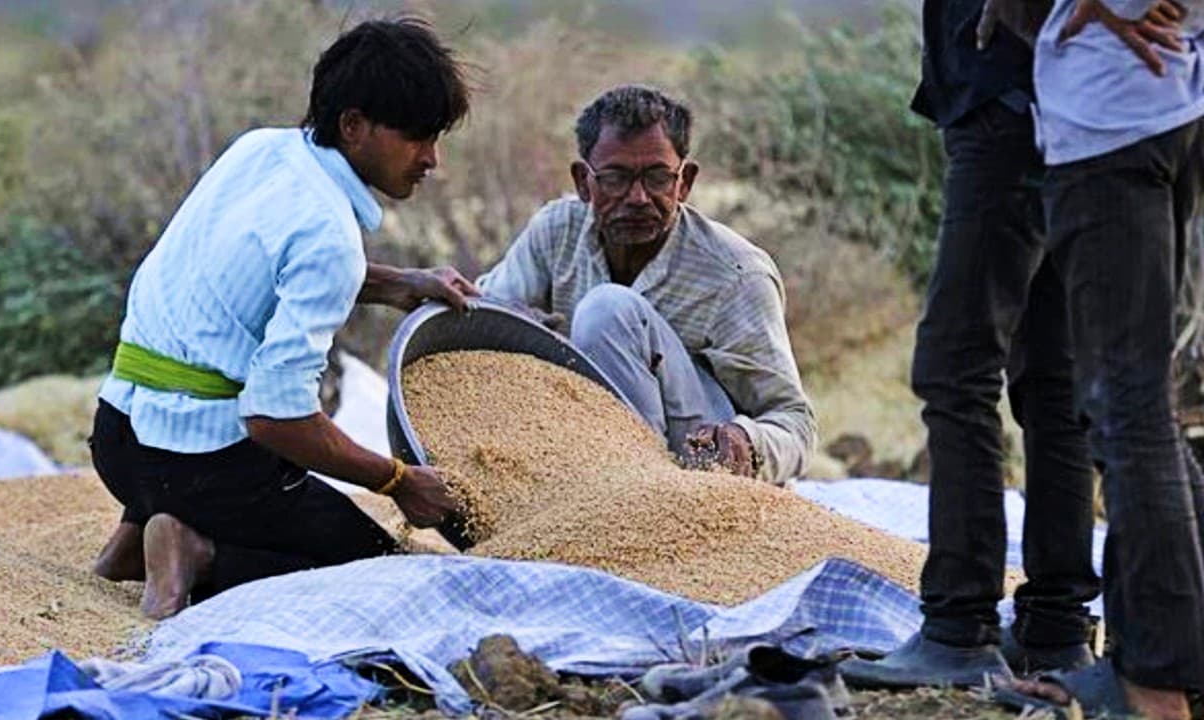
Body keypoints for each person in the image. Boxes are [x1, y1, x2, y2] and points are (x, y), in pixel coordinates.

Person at [87, 17, 477, 620]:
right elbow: (276, 419)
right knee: (375, 567)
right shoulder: (330, 236)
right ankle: (197, 552)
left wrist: (400, 283)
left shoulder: (261, 149)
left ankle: (136, 537)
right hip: (197, 467)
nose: (431, 159)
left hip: (118, 438)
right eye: (417, 138)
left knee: (211, 402)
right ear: (354, 125)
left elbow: (257, 269)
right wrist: (397, 479)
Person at [837, 0, 1104, 690]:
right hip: (1063, 108)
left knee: (957, 369)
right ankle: (1055, 627)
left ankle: (960, 626)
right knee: (1053, 378)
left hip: (1006, 104)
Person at [995, 0, 1204, 718]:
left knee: (1127, 408)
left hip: (1111, 119)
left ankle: (1153, 681)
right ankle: (1164, 661)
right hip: (1164, 105)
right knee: (1139, 406)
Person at [478, 85, 815, 487]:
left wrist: (745, 440)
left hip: (702, 473)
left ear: (684, 182)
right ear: (583, 182)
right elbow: (485, 315)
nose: (637, 198)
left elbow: (796, 425)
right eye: (615, 178)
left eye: (657, 178)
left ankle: (638, 492)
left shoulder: (736, 275)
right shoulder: (557, 232)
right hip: (583, 454)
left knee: (607, 311)